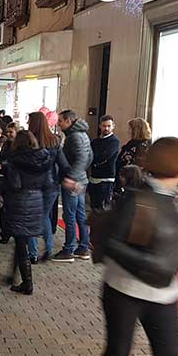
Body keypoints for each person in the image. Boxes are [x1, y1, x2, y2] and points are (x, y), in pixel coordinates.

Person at [96, 137, 178, 356]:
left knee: (169, 355)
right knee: (118, 352)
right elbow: (113, 243)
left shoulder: (174, 199)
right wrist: (154, 266)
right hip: (127, 289)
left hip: (162, 292)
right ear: (177, 164)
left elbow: (165, 241)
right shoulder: (143, 199)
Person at [1, 131, 52, 294]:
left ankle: (27, 283)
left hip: (20, 203)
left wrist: (2, 179)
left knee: (21, 243)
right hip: (36, 200)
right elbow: (48, 182)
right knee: (20, 241)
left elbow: (15, 184)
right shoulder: (43, 159)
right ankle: (13, 275)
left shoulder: (16, 161)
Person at [26, 112, 70, 262]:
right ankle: (49, 248)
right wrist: (69, 179)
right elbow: (63, 164)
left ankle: (32, 253)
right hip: (51, 185)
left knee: (32, 217)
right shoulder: (55, 140)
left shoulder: (29, 140)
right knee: (44, 217)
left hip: (32, 185)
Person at [53, 110, 93, 262]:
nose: (59, 124)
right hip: (81, 179)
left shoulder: (74, 137)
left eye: (61, 121)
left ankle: (68, 249)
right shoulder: (83, 134)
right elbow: (89, 157)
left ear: (69, 121)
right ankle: (83, 247)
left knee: (69, 215)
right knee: (80, 215)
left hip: (74, 182)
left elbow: (82, 158)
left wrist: (71, 177)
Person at [89, 115, 120, 211]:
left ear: (113, 126)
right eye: (104, 126)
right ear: (100, 126)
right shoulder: (95, 141)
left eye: (109, 126)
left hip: (106, 178)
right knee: (94, 207)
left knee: (103, 209)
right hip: (94, 177)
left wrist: (94, 160)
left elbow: (103, 157)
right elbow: (90, 156)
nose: (106, 128)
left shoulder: (114, 141)